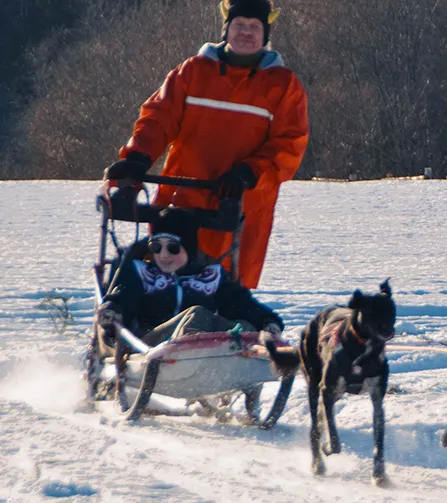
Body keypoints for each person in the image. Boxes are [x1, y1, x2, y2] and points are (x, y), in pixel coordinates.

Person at [104, 0, 308, 289]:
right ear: (226, 29)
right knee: (163, 274)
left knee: (226, 288)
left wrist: (249, 172)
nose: (246, 33)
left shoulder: (283, 85)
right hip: (182, 199)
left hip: (239, 204)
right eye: (239, 25)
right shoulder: (194, 72)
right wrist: (137, 157)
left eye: (254, 27)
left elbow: (289, 145)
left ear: (265, 35)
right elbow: (158, 118)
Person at [97, 208, 284, 346]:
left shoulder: (210, 276)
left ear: (189, 249)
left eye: (173, 248)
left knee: (244, 326)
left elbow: (240, 304)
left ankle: (233, 354)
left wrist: (266, 321)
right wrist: (114, 310)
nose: (163, 255)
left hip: (203, 347)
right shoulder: (141, 273)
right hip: (150, 343)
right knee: (197, 315)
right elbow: (124, 295)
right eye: (156, 247)